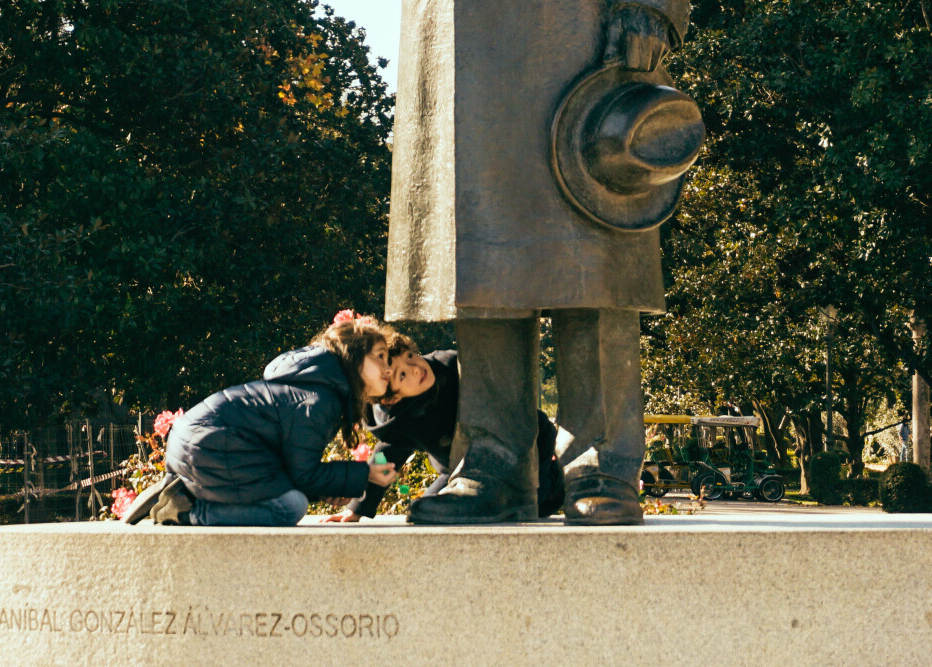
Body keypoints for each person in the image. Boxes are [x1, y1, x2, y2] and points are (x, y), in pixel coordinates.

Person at [388, 0, 699, 524]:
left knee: (594, 241)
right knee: (479, 249)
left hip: (580, 27)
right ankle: (492, 461)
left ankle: (601, 461)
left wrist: (653, 5)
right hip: (456, 36)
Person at [122, 311, 398, 526]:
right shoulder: (318, 400)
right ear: (353, 357)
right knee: (289, 507)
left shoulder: (317, 390)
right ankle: (189, 511)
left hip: (204, 444)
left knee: (292, 498)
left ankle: (185, 494)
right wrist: (365, 474)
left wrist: (332, 485)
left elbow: (293, 470)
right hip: (210, 447)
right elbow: (304, 474)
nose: (388, 369)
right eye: (381, 357)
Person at [322, 333, 564, 523]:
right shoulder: (400, 420)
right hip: (459, 469)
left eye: (409, 356)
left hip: (526, 447)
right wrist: (357, 508)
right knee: (425, 511)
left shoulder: (451, 366)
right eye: (403, 375)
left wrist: (535, 481)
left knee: (533, 501)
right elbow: (384, 459)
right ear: (392, 399)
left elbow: (521, 416)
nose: (416, 368)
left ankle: (555, 482)